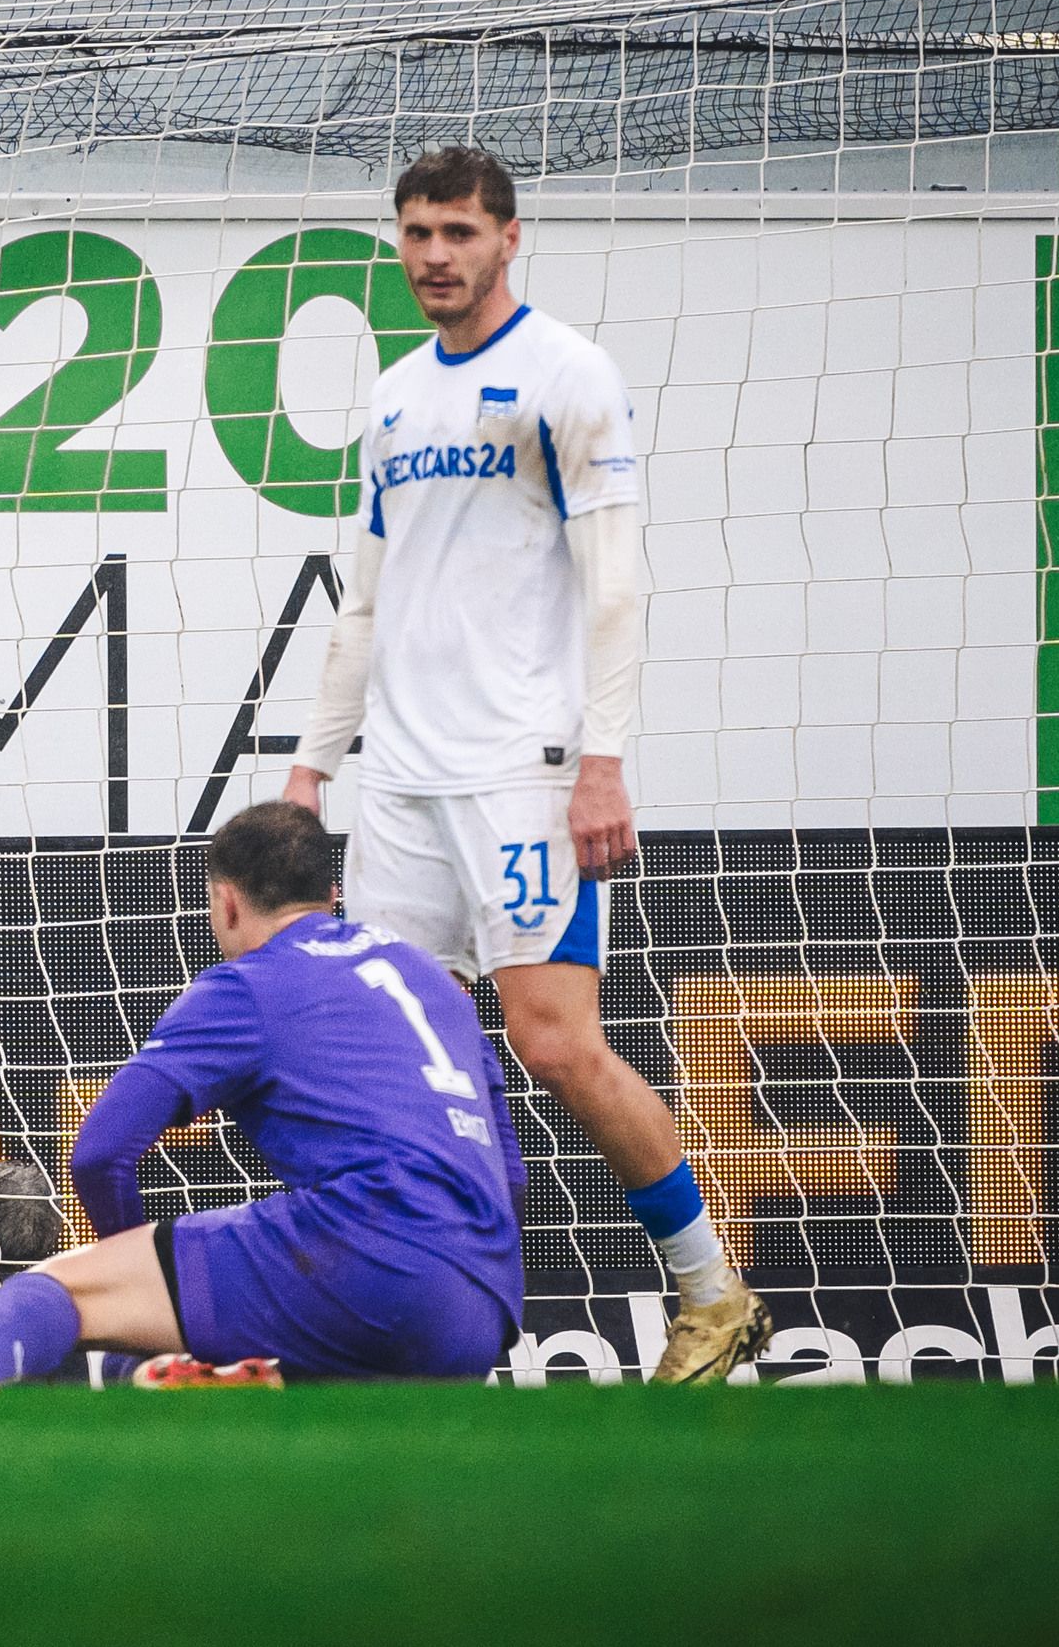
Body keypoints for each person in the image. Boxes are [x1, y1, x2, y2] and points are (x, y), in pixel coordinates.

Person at [286, 145, 768, 1384]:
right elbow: (363, 604)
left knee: (552, 1044)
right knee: (408, 1058)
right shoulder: (394, 396)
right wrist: (308, 770)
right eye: (414, 233)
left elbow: (616, 585)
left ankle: (711, 1291)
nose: (432, 255)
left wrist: (598, 761)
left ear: (509, 238)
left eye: (455, 231)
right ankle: (446, 1322)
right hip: (395, 777)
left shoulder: (566, 375)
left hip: (522, 770)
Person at [0, 801, 520, 1388]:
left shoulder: (248, 984)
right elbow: (511, 1172)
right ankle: (238, 1378)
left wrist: (127, 1260)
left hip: (363, 1256)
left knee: (51, 1297)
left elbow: (101, 1151)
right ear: (333, 896)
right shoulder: (433, 979)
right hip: (478, 1312)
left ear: (226, 903)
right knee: (169, 1370)